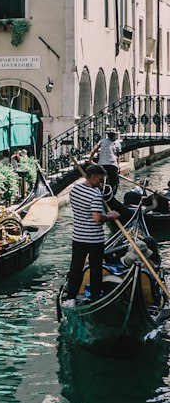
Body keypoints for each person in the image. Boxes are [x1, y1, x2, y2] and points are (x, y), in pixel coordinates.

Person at [65, 164, 119, 304]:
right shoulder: (95, 194)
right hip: (94, 238)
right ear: (93, 177)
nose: (101, 183)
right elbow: (97, 218)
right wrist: (111, 216)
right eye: (100, 180)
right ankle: (95, 297)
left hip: (78, 236)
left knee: (76, 267)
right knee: (96, 268)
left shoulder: (75, 189)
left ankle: (71, 297)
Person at [92, 127, 123, 195]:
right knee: (114, 182)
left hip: (102, 165)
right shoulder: (118, 144)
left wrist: (90, 159)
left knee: (101, 180)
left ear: (107, 135)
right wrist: (118, 166)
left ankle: (101, 193)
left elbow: (94, 150)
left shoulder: (102, 141)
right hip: (112, 165)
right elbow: (118, 157)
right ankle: (111, 194)